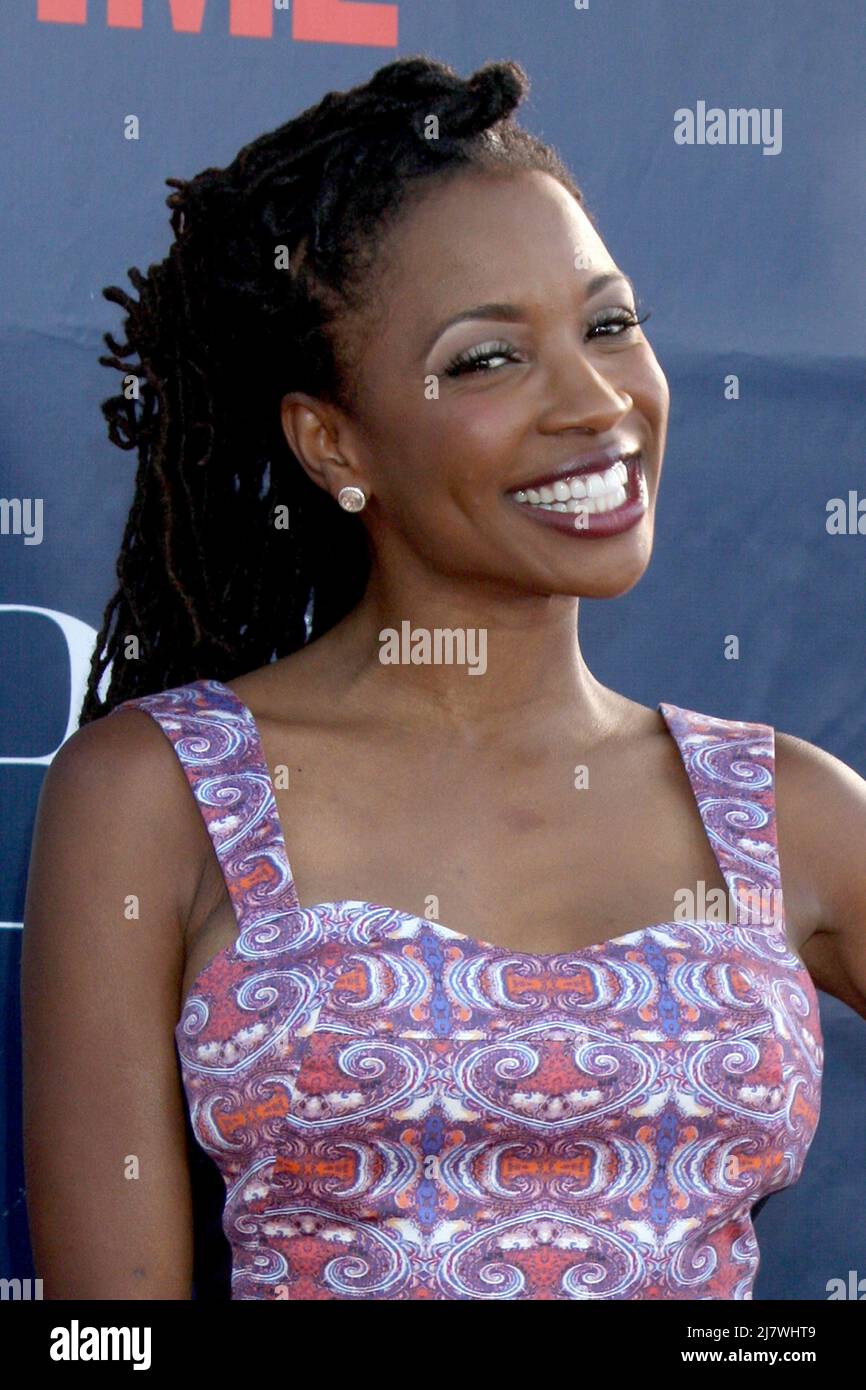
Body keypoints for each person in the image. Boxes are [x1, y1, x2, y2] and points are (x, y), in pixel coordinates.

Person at [20, 55, 865, 1301]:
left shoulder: (784, 806)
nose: (594, 402)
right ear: (333, 440)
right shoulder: (158, 793)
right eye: (485, 360)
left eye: (608, 324)